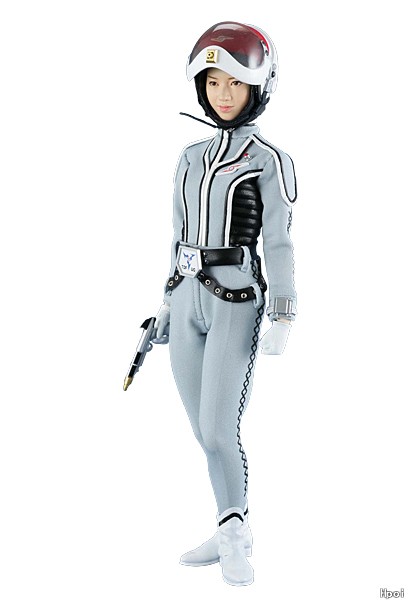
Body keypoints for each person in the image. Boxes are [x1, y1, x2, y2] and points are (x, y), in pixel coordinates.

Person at [153, 21, 297, 586]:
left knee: (219, 429)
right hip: (185, 295)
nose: (223, 94)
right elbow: (176, 233)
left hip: (235, 297)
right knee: (201, 430)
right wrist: (166, 303)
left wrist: (283, 310)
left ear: (257, 86)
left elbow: (279, 241)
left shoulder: (268, 159)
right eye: (213, 82)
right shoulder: (189, 156)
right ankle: (226, 520)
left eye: (235, 82)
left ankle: (237, 535)